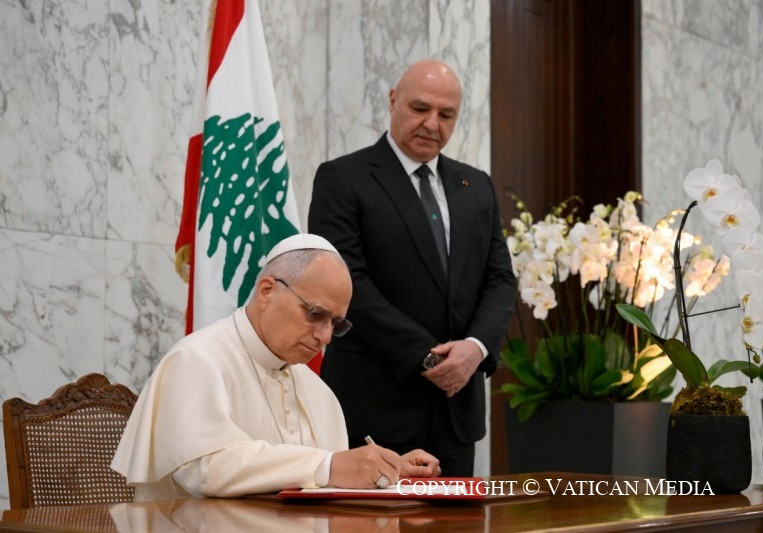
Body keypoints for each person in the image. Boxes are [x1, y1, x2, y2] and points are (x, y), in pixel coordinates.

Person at [111, 233, 440, 501]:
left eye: (336, 323)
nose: (325, 336)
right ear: (267, 291)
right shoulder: (197, 360)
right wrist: (330, 466)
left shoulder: (316, 389)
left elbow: (326, 485)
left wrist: (386, 472)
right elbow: (205, 468)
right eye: (315, 314)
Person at [308, 59, 517, 476]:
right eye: (420, 108)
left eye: (446, 114)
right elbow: (347, 284)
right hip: (375, 409)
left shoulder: (476, 186)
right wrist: (428, 359)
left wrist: (475, 349)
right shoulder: (343, 178)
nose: (431, 124)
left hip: (456, 413)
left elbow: (499, 278)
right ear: (392, 101)